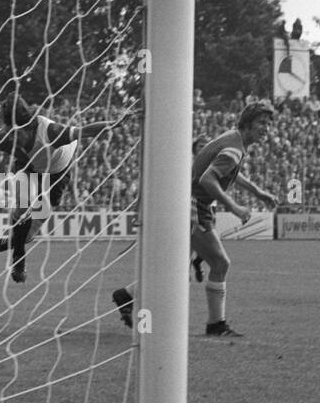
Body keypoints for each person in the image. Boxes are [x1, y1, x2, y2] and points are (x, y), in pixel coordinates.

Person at [113, 101, 279, 337]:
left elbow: (230, 173)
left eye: (269, 124)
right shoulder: (233, 148)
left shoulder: (233, 141)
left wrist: (258, 193)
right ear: (248, 123)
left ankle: (127, 295)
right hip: (194, 207)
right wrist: (233, 207)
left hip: (188, 203)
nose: (266, 129)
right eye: (262, 123)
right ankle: (216, 325)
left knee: (178, 269)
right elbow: (208, 179)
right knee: (220, 263)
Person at [0, 93, 121, 283]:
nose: (12, 137)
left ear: (26, 126)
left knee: (43, 213)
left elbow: (84, 131)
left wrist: (116, 122)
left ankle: (14, 240)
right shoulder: (3, 137)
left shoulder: (52, 132)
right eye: (9, 131)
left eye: (17, 133)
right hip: (29, 166)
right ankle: (18, 261)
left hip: (58, 169)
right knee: (22, 206)